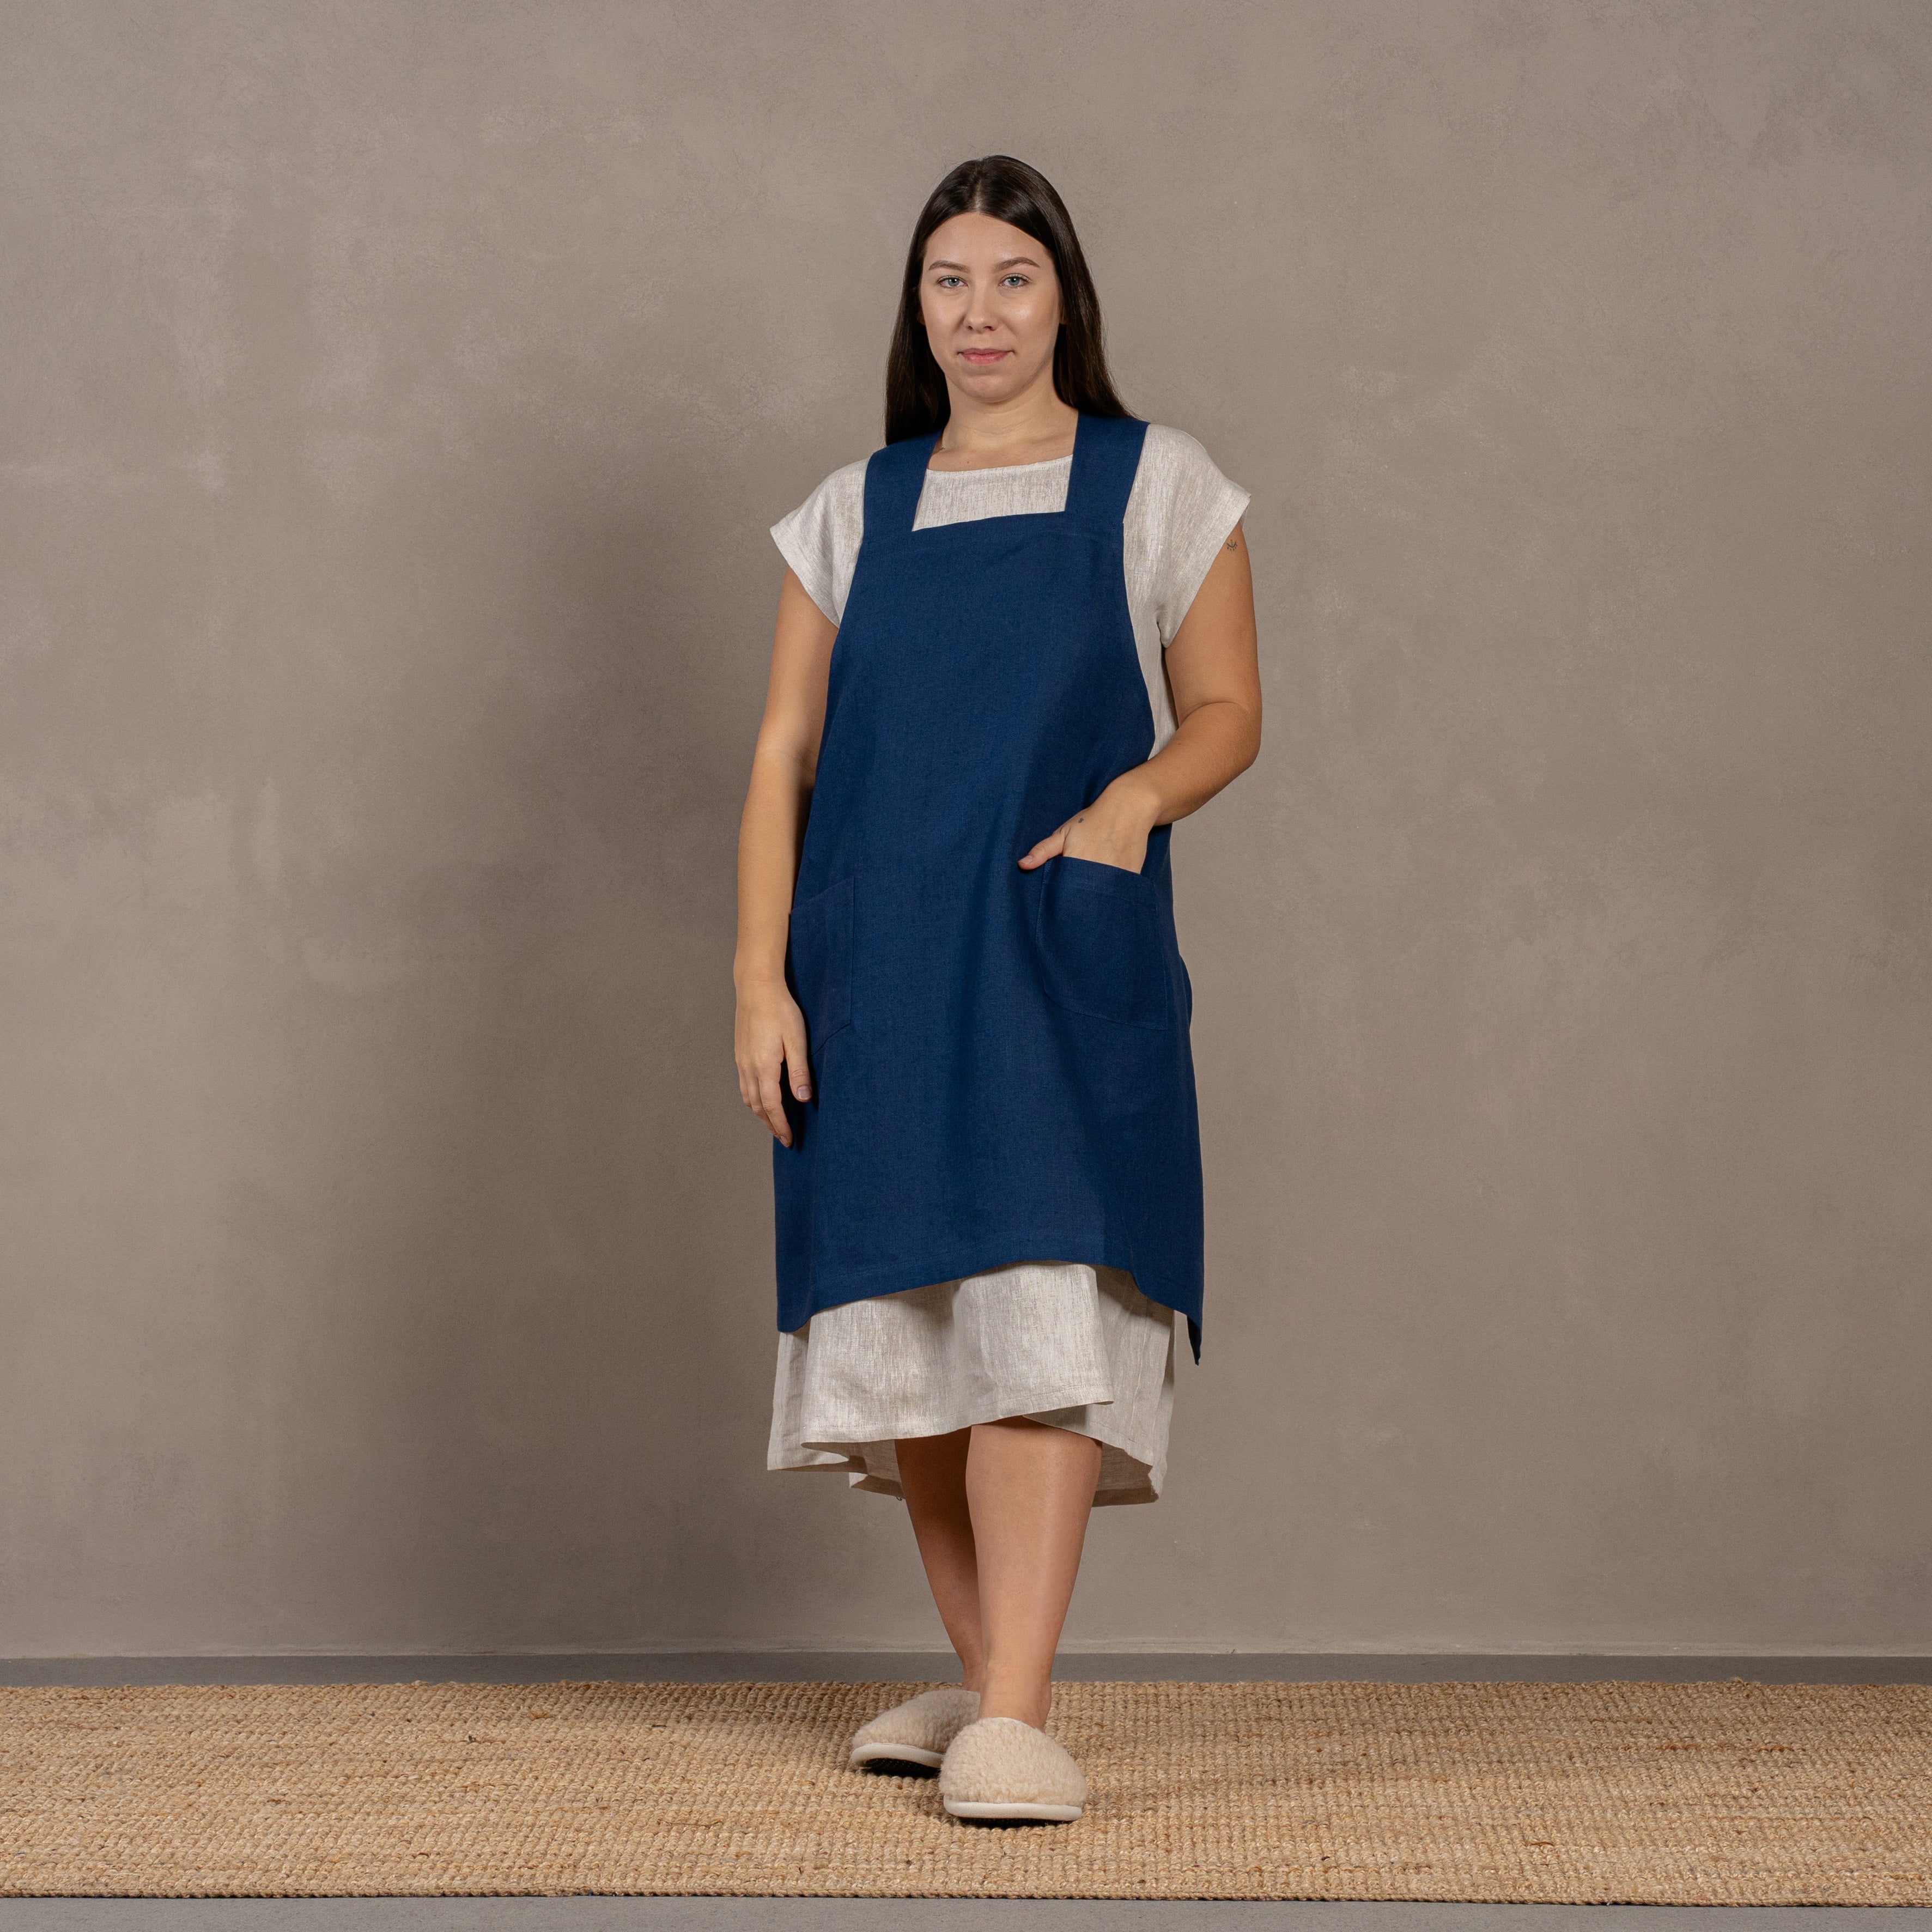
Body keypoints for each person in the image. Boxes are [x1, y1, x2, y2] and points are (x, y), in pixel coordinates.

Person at [733, 154, 1260, 1823]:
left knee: (1037, 1312)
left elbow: (1227, 709)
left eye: (1011, 279)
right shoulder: (851, 510)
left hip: (1048, 954)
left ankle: (1015, 1712)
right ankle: (993, 1692)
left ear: (1062, 300)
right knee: (914, 1323)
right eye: (948, 281)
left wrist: (1129, 807)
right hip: (876, 970)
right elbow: (783, 750)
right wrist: (759, 976)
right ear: (917, 308)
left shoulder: (1156, 481)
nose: (980, 313)